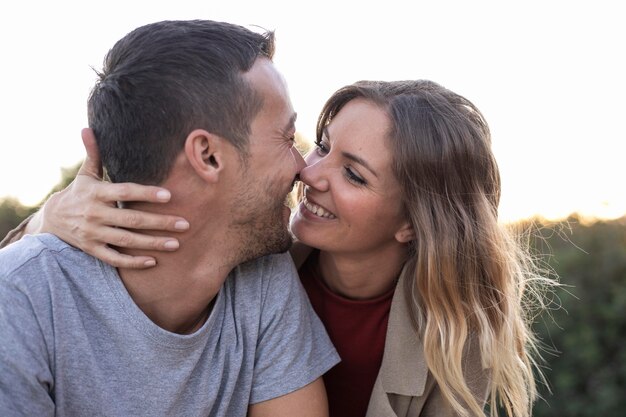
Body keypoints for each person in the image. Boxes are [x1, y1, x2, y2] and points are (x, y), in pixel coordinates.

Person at [2, 79, 556, 417]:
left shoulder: (454, 327)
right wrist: (47, 217)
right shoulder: (253, 256)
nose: (310, 174)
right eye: (322, 146)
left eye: (354, 176)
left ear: (412, 222)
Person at [0, 19, 341, 417]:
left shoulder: (262, 277)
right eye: (286, 136)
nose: (304, 167)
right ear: (208, 156)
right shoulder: (21, 303)